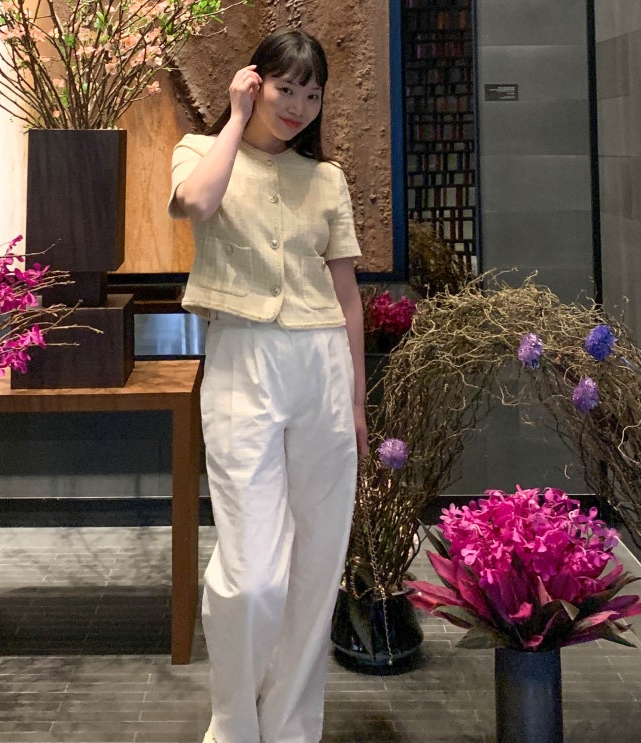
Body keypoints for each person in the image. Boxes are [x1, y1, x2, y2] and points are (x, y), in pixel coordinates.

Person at [168, 28, 368, 743]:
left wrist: (356, 400)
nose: (298, 106)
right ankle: (234, 720)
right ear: (254, 82)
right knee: (252, 569)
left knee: (317, 559)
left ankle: (290, 727)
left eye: (312, 94)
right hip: (242, 358)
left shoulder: (327, 179)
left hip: (322, 364)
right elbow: (195, 204)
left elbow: (347, 296)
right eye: (286, 89)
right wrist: (233, 117)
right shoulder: (201, 150)